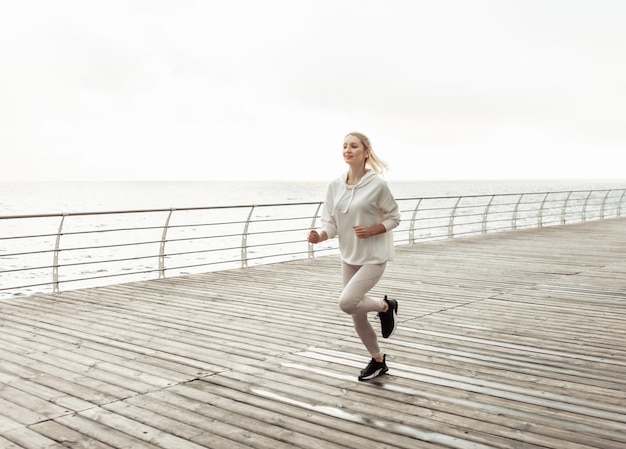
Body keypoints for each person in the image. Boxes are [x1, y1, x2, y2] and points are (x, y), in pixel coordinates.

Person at [308, 131, 401, 381]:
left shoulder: (377, 185)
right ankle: (378, 360)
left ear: (365, 152)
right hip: (349, 257)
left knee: (347, 303)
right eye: (345, 146)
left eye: (354, 146)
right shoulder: (335, 186)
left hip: (373, 256)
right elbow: (331, 224)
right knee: (357, 316)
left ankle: (385, 306)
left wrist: (373, 230)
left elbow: (395, 218)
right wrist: (320, 235)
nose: (348, 150)